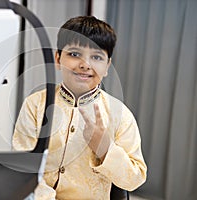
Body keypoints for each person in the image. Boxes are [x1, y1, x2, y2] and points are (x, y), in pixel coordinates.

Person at [12, 16, 147, 200]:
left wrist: (105, 149)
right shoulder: (35, 104)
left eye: (97, 57)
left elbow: (135, 179)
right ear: (58, 58)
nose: (85, 65)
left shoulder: (121, 115)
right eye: (74, 54)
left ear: (107, 66)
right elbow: (21, 166)